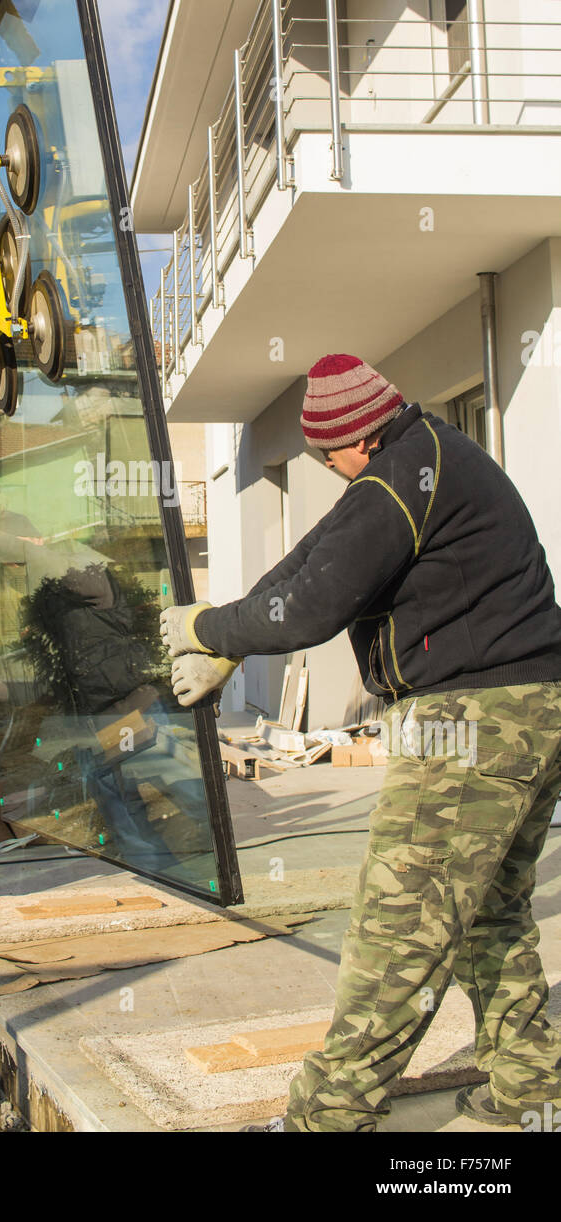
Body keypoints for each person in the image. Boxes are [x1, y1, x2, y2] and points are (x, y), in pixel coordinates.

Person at [160, 353, 561, 1131]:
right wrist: (234, 636)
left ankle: (328, 1118)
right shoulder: (425, 457)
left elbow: (311, 609)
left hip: (472, 725)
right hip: (532, 707)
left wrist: (206, 627)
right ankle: (532, 1088)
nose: (330, 468)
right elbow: (312, 556)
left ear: (359, 438)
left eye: (328, 454)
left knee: (397, 931)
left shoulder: (400, 475)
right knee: (491, 913)